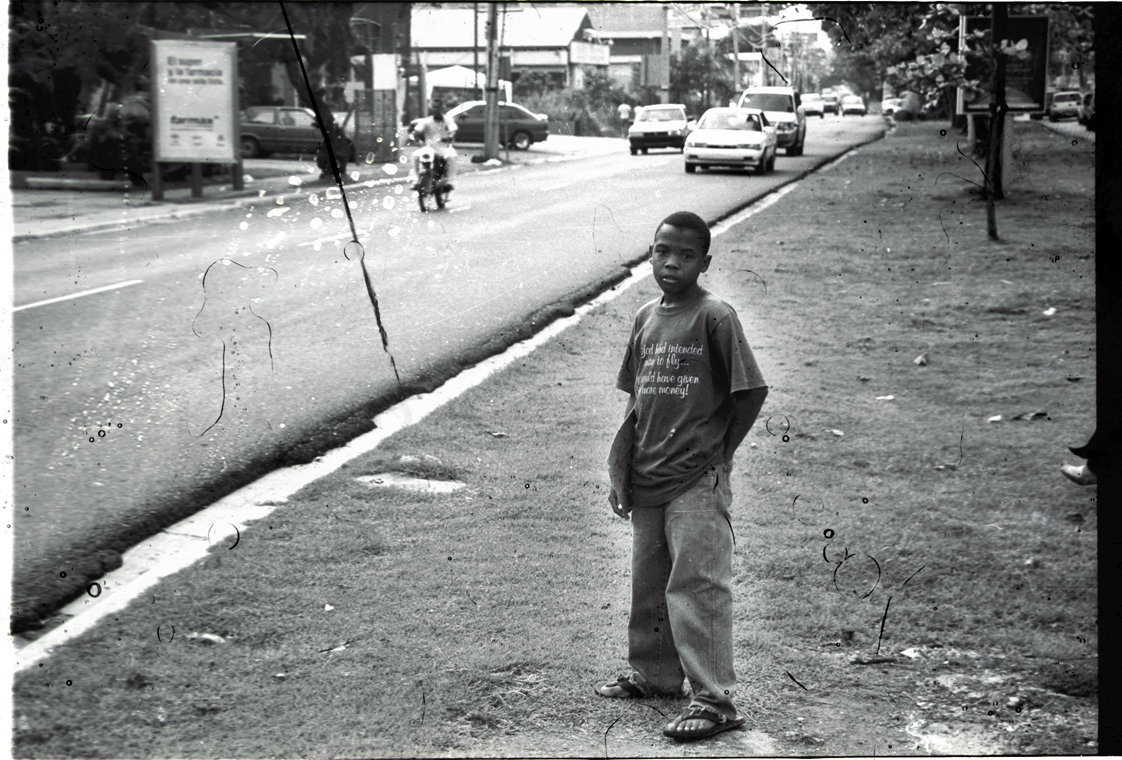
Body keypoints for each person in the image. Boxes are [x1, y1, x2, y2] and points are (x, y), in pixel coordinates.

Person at [599, 211, 769, 742]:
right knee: (650, 583)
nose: (671, 263)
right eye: (662, 251)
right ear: (650, 253)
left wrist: (721, 453)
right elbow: (637, 400)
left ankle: (715, 701)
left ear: (705, 262)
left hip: (696, 478)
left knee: (698, 587)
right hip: (648, 474)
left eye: (686, 255)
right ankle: (654, 675)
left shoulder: (715, 316)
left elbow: (751, 392)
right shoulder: (645, 317)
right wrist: (621, 471)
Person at [411, 105, 457, 190]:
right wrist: (416, 135)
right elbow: (418, 130)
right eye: (434, 108)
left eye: (438, 108)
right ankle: (416, 180)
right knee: (416, 155)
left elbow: (453, 129)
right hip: (429, 147)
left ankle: (450, 182)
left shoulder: (448, 120)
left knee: (451, 156)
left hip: (443, 147)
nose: (436, 111)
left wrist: (450, 136)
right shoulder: (427, 121)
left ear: (442, 108)